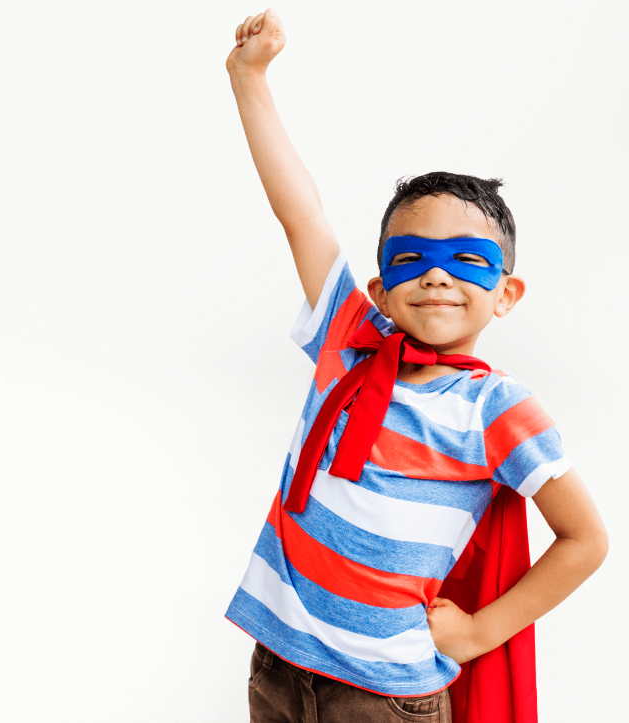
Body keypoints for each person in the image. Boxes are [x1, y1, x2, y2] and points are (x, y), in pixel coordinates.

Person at [223, 9, 609, 723]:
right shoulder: (348, 337)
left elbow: (586, 539)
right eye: (412, 260)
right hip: (277, 662)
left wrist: (481, 629)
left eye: (466, 260)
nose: (436, 277)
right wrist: (249, 80)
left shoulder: (495, 406)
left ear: (505, 294)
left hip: (384, 693)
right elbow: (302, 216)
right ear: (380, 289)